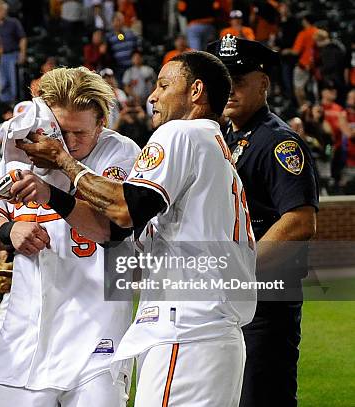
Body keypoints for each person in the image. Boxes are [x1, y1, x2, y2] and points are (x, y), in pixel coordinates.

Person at [16, 52, 256, 406]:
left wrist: (64, 162)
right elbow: (118, 231)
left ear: (196, 91)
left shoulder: (180, 133)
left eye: (164, 85)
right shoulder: (215, 145)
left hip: (184, 330)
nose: (152, 96)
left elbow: (125, 210)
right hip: (212, 332)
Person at [0, 67, 140, 407]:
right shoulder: (24, 151)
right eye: (62, 132)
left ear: (101, 123)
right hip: (26, 335)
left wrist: (51, 191)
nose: (71, 142)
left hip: (98, 337)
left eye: (81, 132)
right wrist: (10, 231)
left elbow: (110, 228)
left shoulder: (120, 154)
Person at [208, 36, 319, 407]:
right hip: (230, 300)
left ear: (264, 83)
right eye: (224, 80)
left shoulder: (278, 142)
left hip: (266, 298)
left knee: (262, 396)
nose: (230, 90)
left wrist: (239, 270)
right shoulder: (224, 136)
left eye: (239, 80)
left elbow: (300, 221)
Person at [0, 0, 27, 103]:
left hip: (12, 55)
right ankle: (5, 105)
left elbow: (22, 38)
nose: (2, 12)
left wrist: (22, 54)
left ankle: (16, 102)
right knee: (2, 82)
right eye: (0, 10)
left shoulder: (13, 22)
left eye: (4, 10)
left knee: (14, 81)